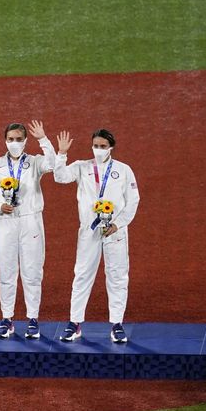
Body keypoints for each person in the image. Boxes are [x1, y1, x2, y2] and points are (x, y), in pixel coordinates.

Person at [53, 128, 140, 343]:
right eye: (95, 146)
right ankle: (74, 323)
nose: (98, 150)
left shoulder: (123, 170)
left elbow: (133, 200)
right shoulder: (83, 167)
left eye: (102, 146)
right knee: (82, 274)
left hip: (114, 231)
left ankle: (117, 324)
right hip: (89, 230)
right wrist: (62, 154)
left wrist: (118, 224)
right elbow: (60, 177)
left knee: (117, 276)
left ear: (111, 147)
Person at [0, 120, 57, 340]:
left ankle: (33, 319)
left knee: (32, 272)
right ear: (5, 140)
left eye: (19, 139)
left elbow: (53, 164)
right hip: (5, 221)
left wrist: (43, 139)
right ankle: (7, 319)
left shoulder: (34, 163)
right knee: (6, 271)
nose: (14, 143)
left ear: (25, 141)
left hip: (30, 220)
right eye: (11, 139)